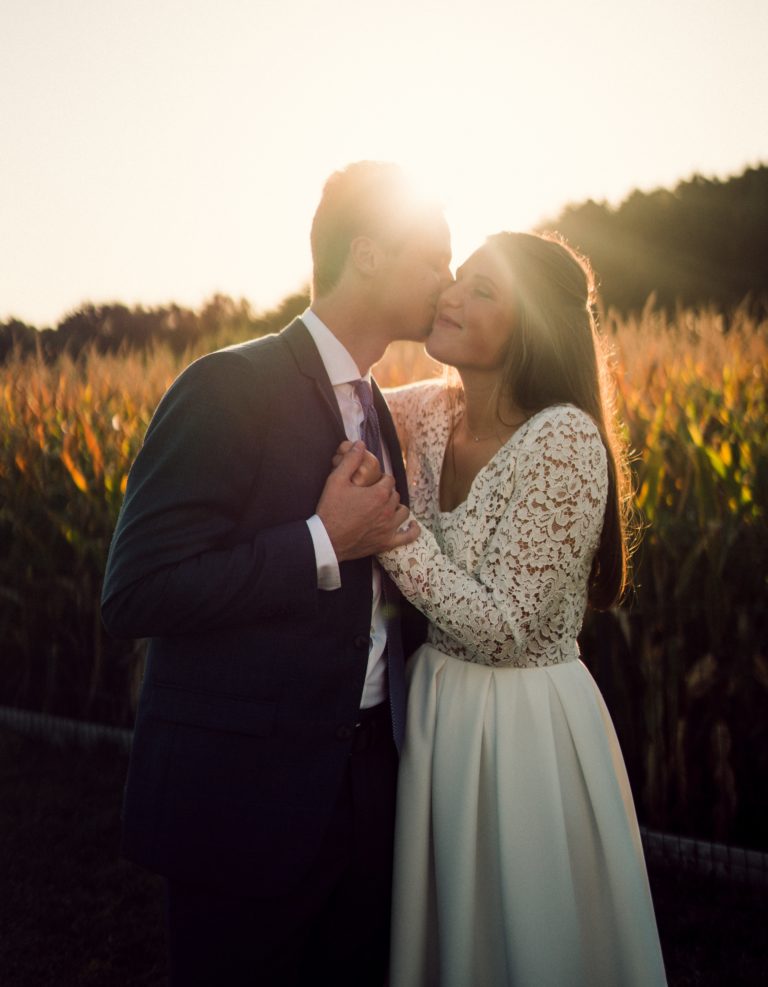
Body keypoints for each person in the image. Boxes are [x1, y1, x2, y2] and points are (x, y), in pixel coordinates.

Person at [100, 160, 452, 987]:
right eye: (435, 256)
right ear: (367, 253)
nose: (449, 277)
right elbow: (136, 588)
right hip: (243, 803)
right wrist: (321, 539)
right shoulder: (227, 386)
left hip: (366, 791)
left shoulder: (379, 405)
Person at [349, 231, 667, 985]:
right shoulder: (429, 411)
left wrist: (383, 525)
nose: (450, 294)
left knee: (527, 935)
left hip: (523, 725)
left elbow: (502, 625)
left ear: (534, 331)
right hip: (434, 711)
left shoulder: (565, 440)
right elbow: (325, 407)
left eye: (483, 290)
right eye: (458, 277)